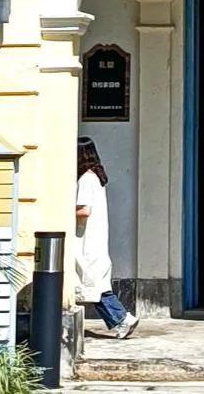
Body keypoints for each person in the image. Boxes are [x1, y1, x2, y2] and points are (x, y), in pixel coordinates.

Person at [76, 137, 138, 338]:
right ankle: (122, 319)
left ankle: (122, 319)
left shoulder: (85, 179)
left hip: (87, 242)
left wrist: (59, 210)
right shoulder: (96, 177)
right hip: (95, 240)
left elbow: (84, 210)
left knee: (94, 285)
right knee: (97, 285)